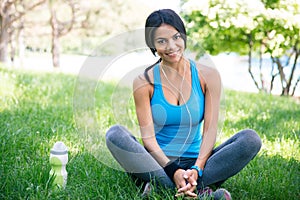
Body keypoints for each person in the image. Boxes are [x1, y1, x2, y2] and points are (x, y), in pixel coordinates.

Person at [106, 9, 262, 199]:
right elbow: (148, 140)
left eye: (176, 37)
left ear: (184, 36)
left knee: (250, 139)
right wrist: (173, 170)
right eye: (161, 41)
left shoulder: (208, 76)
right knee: (115, 134)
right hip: (158, 163)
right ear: (152, 45)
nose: (171, 46)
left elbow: (210, 131)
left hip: (198, 161)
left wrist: (197, 167)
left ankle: (167, 187)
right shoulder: (144, 81)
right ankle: (196, 189)